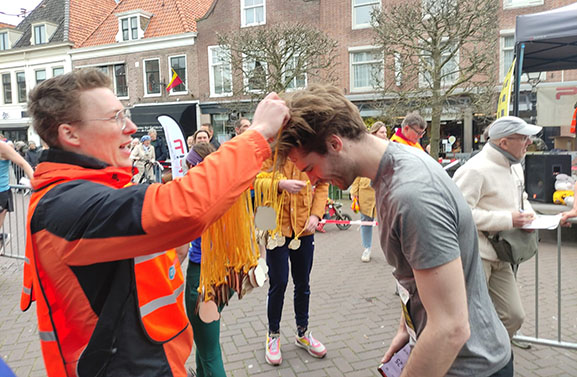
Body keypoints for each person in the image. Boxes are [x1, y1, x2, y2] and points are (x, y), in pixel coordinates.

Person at [22, 68, 288, 376]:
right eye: (116, 118)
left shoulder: (93, 190)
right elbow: (185, 208)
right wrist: (255, 136)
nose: (132, 127)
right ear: (70, 134)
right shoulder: (65, 205)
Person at [274, 84, 512, 376]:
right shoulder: (393, 168)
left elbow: (450, 328)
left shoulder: (410, 195)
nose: (311, 181)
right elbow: (415, 276)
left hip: (466, 366)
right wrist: (407, 326)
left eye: (310, 168)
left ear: (335, 144)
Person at [454, 116, 541, 342]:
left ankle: (491, 353)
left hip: (502, 254)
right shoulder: (474, 170)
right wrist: (509, 220)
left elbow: (520, 198)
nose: (529, 142)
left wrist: (529, 216)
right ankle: (474, 360)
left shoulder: (514, 167)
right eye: (523, 138)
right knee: (470, 315)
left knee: (514, 316)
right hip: (477, 256)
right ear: (503, 143)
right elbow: (460, 214)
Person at [262, 159, 329, 366]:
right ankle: (273, 335)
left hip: (303, 228)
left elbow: (323, 184)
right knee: (278, 282)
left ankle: (303, 333)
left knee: (303, 283)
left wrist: (316, 215)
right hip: (274, 225)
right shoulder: (270, 148)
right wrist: (279, 185)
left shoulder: (310, 149)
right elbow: (254, 182)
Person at [183, 142, 230, 377]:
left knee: (210, 351)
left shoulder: (196, 197)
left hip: (201, 277)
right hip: (224, 275)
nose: (188, 171)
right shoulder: (228, 190)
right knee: (205, 341)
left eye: (191, 165)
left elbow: (180, 244)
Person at [349, 121, 388, 262]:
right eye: (382, 132)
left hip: (383, 192)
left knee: (386, 224)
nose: (385, 135)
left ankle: (390, 251)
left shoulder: (390, 149)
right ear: (374, 133)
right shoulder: (363, 149)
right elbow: (357, 172)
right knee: (365, 221)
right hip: (365, 192)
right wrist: (354, 192)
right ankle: (367, 249)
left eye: (385, 132)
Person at [0, 140, 34, 248]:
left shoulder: (3, 147)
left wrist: (36, 183)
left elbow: (23, 163)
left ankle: (3, 238)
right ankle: (3, 238)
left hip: (1, 193)